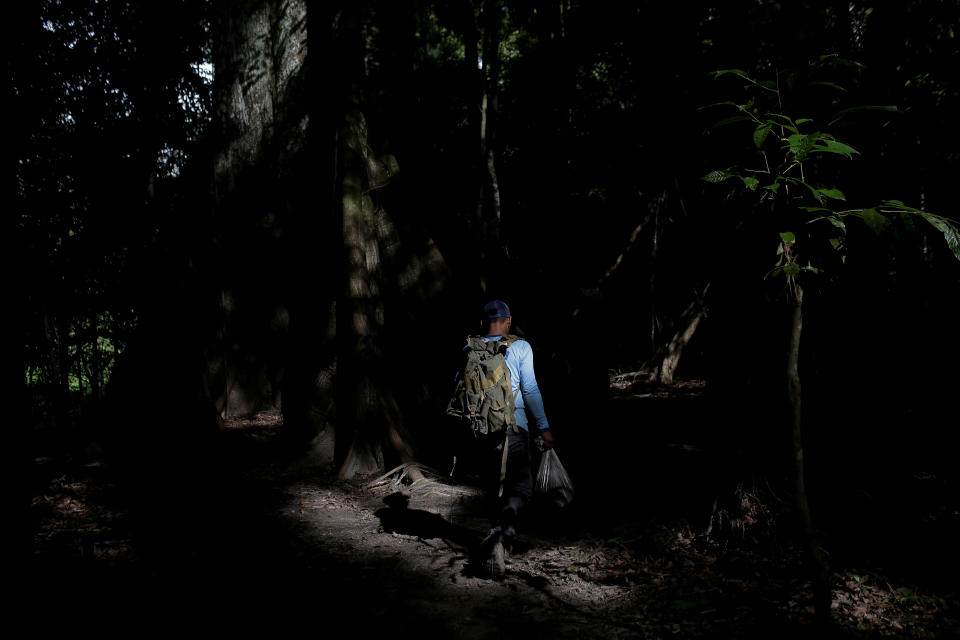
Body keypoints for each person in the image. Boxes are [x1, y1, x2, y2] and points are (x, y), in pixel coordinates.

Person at [469, 299, 555, 577]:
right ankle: (501, 536)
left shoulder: (470, 348)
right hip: (514, 427)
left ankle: (498, 536)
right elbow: (529, 389)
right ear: (508, 322)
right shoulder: (521, 347)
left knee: (495, 486)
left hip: (483, 430)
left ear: (482, 323)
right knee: (522, 487)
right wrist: (544, 427)